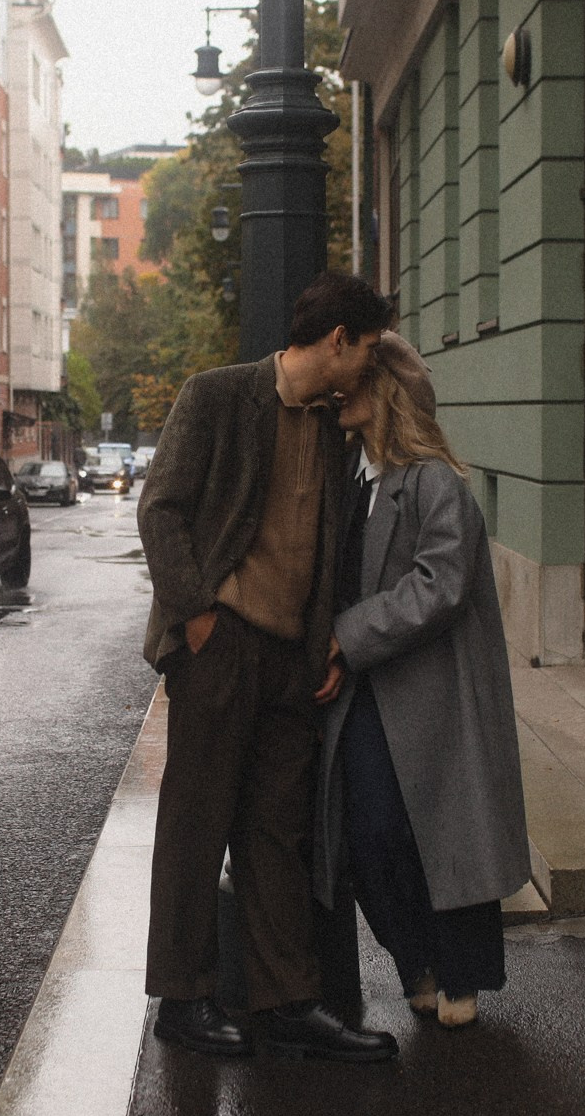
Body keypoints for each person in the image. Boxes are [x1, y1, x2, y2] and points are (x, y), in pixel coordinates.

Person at [136, 272, 400, 1063]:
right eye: (369, 349)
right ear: (336, 341)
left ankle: (286, 1000)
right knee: (197, 820)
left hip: (291, 659)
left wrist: (321, 641)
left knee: (277, 833)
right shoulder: (218, 396)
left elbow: (319, 546)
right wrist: (199, 617)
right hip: (221, 647)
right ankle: (182, 1000)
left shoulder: (332, 425)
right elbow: (162, 508)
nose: (372, 366)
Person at [314, 335, 530, 1028]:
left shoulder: (435, 481)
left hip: (433, 699)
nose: (340, 392)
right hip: (370, 696)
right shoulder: (354, 480)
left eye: (356, 383)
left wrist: (347, 635)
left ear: (388, 394)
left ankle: (460, 975)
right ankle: (417, 962)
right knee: (371, 835)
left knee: (443, 835)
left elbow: (442, 585)